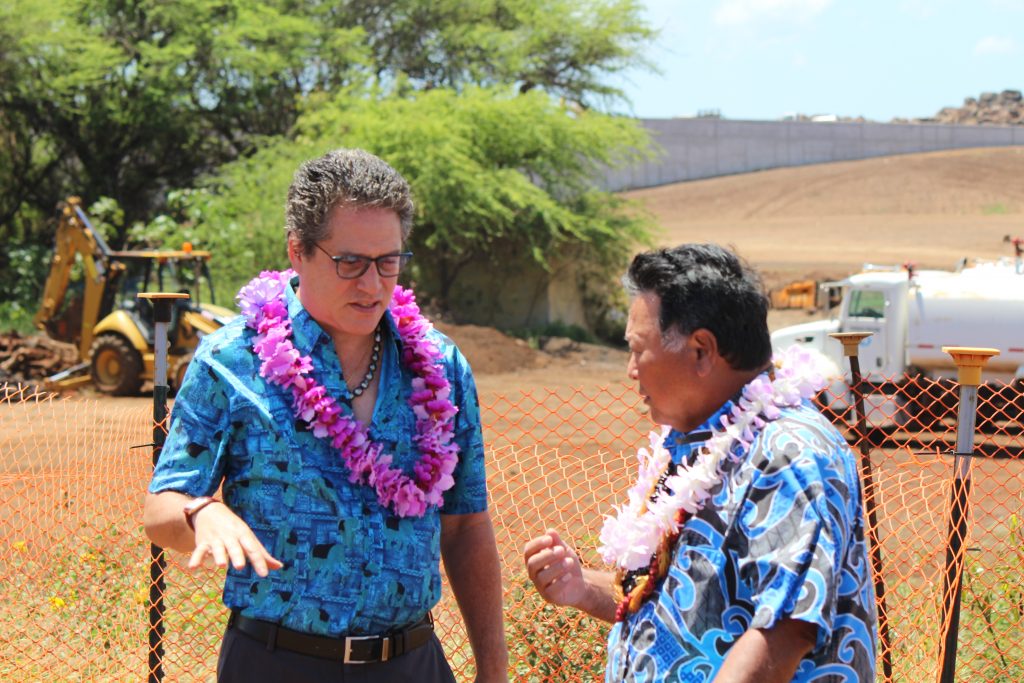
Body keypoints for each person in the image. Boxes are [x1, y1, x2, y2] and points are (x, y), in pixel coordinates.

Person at [144, 148, 508, 682]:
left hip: (411, 665)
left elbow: (466, 526)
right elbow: (159, 510)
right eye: (350, 263)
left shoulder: (440, 366)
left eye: (389, 262)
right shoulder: (232, 360)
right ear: (298, 251)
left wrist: (493, 672)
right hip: (275, 664)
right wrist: (202, 514)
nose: (372, 284)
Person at [524, 244, 876, 682]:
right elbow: (670, 601)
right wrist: (583, 588)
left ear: (701, 350)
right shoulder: (693, 439)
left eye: (638, 349)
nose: (632, 369)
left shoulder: (791, 452)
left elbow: (785, 631)